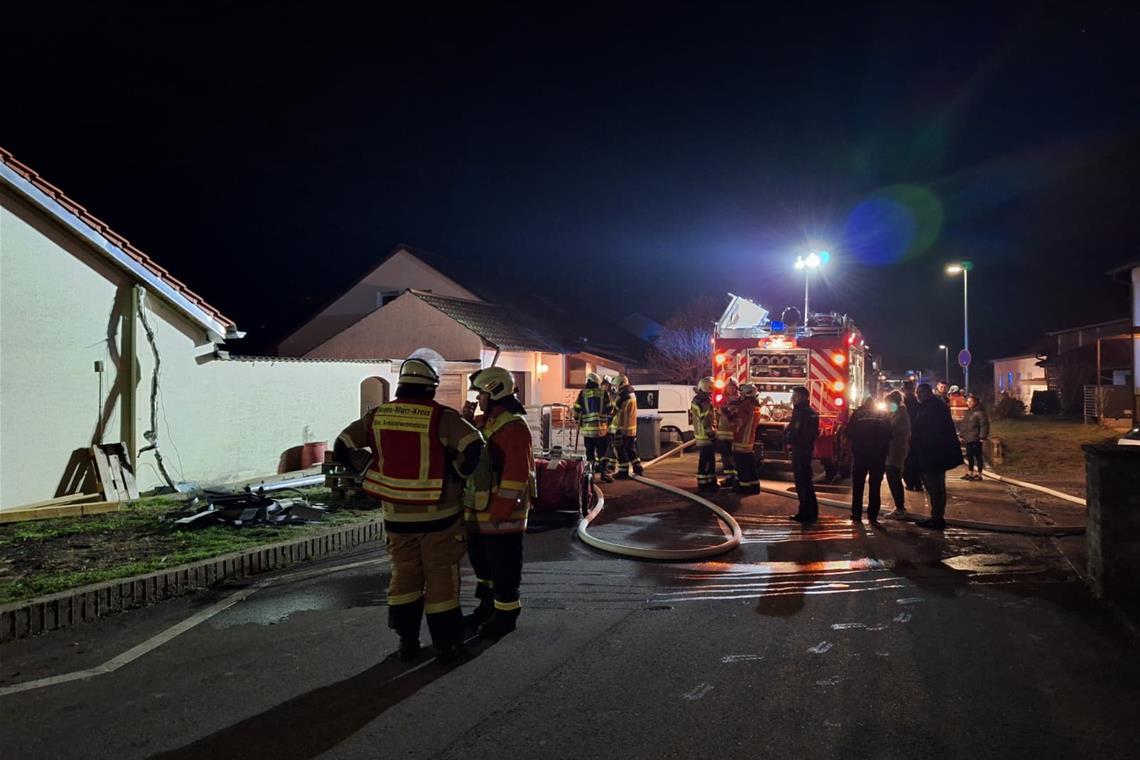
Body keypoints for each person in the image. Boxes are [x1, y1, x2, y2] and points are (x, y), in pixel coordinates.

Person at [335, 348, 483, 663]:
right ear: (431, 387)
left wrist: (368, 472)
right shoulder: (442, 418)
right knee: (441, 579)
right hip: (439, 516)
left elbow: (343, 445)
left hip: (396, 517)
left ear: (401, 385)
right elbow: (474, 445)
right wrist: (456, 472)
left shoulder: (377, 416)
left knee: (404, 578)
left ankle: (408, 641)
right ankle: (446, 644)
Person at [462, 367, 536, 638]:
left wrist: (502, 510)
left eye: (480, 394)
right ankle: (487, 608)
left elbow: (516, 474)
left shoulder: (513, 427)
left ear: (494, 392)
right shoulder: (488, 422)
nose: (478, 399)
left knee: (503, 568)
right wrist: (466, 420)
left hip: (503, 515)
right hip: (482, 512)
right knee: (483, 565)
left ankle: (505, 616)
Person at [910, 383, 964, 530]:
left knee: (935, 487)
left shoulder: (931, 408)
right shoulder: (934, 406)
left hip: (932, 455)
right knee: (936, 486)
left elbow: (927, 431)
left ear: (926, 393)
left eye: (919, 393)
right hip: (935, 454)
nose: (917, 396)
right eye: (917, 393)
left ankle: (937, 518)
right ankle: (936, 516)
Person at [845, 397, 892, 523]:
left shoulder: (857, 414)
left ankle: (856, 514)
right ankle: (873, 515)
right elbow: (889, 434)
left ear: (864, 405)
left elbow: (848, 433)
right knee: (875, 486)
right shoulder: (882, 415)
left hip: (860, 454)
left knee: (858, 485)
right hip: (878, 455)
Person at [573, 372, 616, 483]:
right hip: (601, 430)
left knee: (590, 453)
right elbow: (610, 408)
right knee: (603, 453)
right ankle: (604, 474)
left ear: (588, 381)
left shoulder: (583, 393)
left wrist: (577, 420)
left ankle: (590, 476)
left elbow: (576, 409)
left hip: (588, 431)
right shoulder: (604, 393)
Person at [785, 386, 819, 522]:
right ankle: (809, 512)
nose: (793, 398)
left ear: (804, 397)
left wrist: (789, 439)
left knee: (802, 482)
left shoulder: (802, 412)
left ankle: (806, 513)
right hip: (803, 449)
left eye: (796, 396)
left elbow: (797, 432)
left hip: (801, 450)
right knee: (805, 483)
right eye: (793, 396)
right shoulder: (808, 412)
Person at [883, 390, 911, 519]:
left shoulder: (900, 416)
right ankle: (899, 507)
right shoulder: (897, 414)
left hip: (895, 451)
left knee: (894, 479)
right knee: (893, 478)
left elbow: (892, 432)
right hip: (893, 451)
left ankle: (900, 508)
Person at [611, 375, 644, 478]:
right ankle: (638, 468)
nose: (615, 388)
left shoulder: (622, 396)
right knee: (630, 449)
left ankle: (623, 472)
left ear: (621, 384)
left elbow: (612, 410)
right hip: (631, 428)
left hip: (621, 428)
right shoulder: (631, 393)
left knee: (620, 450)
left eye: (616, 385)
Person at [732, 384, 763, 494]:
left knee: (741, 466)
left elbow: (739, 423)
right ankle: (754, 486)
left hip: (741, 440)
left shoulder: (744, 406)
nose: (740, 395)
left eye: (741, 393)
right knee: (750, 465)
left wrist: (729, 416)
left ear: (746, 394)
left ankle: (744, 488)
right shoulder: (756, 406)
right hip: (749, 441)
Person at [689, 377, 718, 492]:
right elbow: (706, 421)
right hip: (706, 436)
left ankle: (705, 483)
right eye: (712, 388)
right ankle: (707, 485)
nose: (713, 390)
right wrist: (712, 435)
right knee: (708, 461)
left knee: (705, 460)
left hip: (700, 435)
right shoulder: (705, 402)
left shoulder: (697, 399)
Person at [716, 378, 740, 488]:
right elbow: (718, 411)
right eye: (729, 387)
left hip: (734, 433)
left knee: (734, 457)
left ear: (736, 388)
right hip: (723, 433)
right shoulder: (722, 399)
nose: (730, 389)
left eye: (733, 387)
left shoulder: (740, 400)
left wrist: (728, 411)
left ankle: (736, 478)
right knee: (725, 457)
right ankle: (729, 478)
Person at [960, 393, 990, 481]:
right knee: (969, 456)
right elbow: (964, 425)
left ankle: (979, 474)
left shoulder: (980, 413)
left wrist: (982, 437)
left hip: (976, 439)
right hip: (968, 438)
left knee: (978, 456)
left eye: (970, 401)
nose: (968, 403)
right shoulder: (968, 412)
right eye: (967, 401)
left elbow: (984, 425)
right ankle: (970, 472)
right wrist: (962, 435)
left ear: (975, 402)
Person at [901, 379, 923, 492]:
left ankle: (910, 483)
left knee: (907, 460)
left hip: (906, 436)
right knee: (916, 460)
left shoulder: (902, 404)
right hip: (917, 435)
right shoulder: (919, 403)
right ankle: (917, 483)